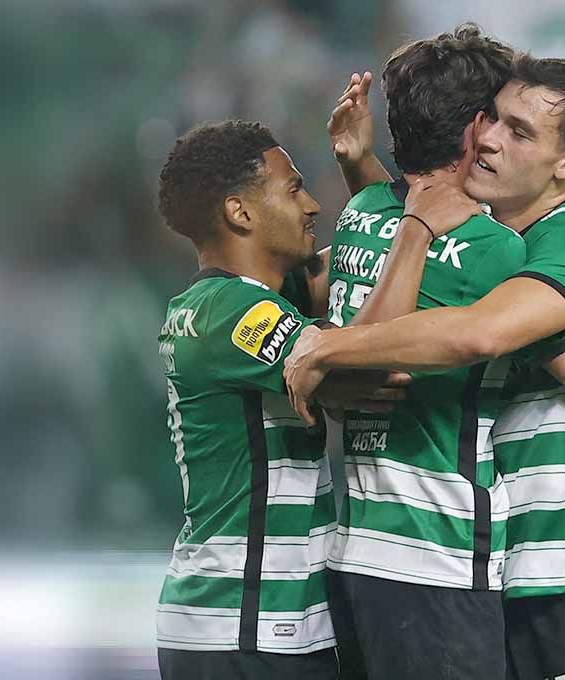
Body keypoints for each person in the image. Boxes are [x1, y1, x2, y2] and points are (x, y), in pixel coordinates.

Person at [286, 55, 565, 680]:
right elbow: (411, 247)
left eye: (518, 132)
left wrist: (326, 350)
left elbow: (479, 332)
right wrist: (362, 167)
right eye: (490, 119)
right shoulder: (498, 240)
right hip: (512, 571)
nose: (489, 139)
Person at [152, 119, 423, 680]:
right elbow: (373, 359)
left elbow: (356, 270)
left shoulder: (231, 300)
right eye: (293, 188)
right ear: (240, 212)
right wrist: (420, 226)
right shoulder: (232, 311)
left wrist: (362, 167)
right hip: (246, 620)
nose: (313, 204)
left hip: (248, 618)